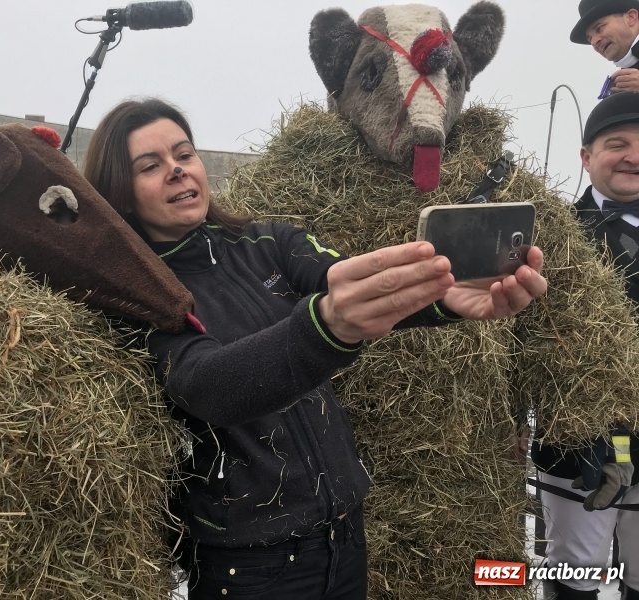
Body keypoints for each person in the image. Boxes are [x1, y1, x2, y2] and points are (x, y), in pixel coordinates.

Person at [83, 97, 547, 600]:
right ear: (121, 195)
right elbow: (204, 384)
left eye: (184, 154)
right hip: (248, 561)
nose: (177, 170)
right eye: (150, 166)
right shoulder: (138, 291)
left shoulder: (267, 242)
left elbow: (350, 289)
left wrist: (445, 298)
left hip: (343, 529)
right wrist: (325, 323)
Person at [531, 91, 639, 600]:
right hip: (578, 443)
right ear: (586, 157)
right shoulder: (550, 235)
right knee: (575, 569)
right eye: (617, 144)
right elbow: (516, 338)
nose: (633, 156)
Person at [571, 0, 639, 96]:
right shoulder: (620, 86)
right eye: (590, 39)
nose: (594, 42)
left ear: (631, 17)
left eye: (599, 28)